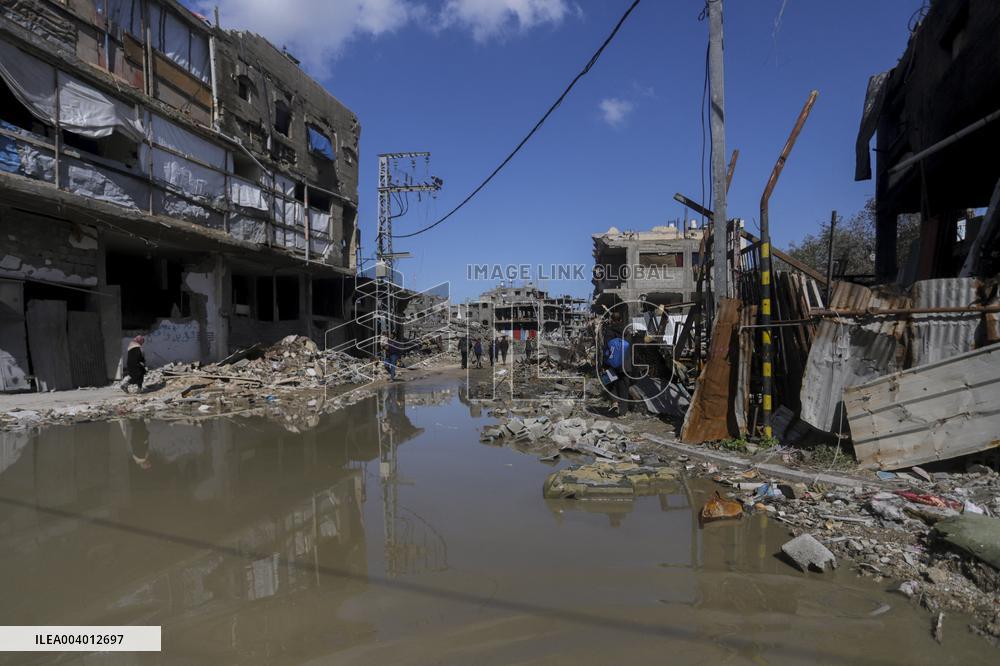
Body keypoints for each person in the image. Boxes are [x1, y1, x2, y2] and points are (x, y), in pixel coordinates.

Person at [602, 311, 632, 417]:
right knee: (624, 388)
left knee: (608, 382)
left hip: (612, 364)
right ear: (621, 320)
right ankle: (623, 413)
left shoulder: (608, 331)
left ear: (611, 320)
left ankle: (614, 401)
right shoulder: (627, 331)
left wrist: (604, 364)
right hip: (625, 364)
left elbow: (606, 348)